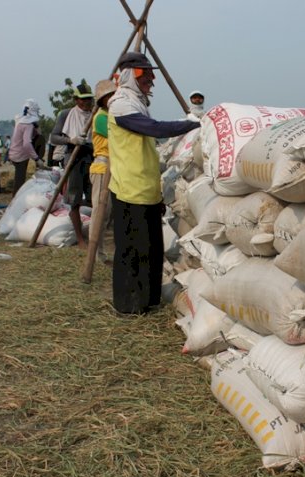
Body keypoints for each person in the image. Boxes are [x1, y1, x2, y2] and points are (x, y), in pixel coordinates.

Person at [108, 52, 201, 314]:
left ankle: (147, 301)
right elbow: (154, 129)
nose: (150, 81)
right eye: (144, 75)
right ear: (129, 76)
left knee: (151, 249)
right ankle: (128, 306)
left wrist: (158, 195)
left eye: (151, 75)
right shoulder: (121, 103)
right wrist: (187, 125)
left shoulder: (137, 102)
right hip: (129, 190)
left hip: (146, 189)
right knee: (131, 250)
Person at [49, 83, 94, 249]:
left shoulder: (94, 114)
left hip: (91, 157)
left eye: (89, 99)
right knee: (74, 199)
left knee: (93, 198)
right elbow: (54, 137)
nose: (86, 102)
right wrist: (70, 140)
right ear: (76, 100)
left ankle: (93, 235)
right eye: (83, 100)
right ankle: (80, 239)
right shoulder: (66, 114)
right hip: (74, 158)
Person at [91, 79, 118, 263]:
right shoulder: (101, 117)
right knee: (100, 211)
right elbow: (117, 136)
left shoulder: (112, 115)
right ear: (102, 100)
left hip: (114, 168)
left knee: (109, 215)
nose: (112, 99)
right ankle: (96, 253)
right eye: (109, 97)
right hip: (102, 168)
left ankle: (102, 252)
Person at [8, 99, 45, 196]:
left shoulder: (19, 120)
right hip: (20, 154)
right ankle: (16, 200)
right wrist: (37, 159)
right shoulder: (27, 124)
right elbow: (27, 143)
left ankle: (16, 196)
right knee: (20, 179)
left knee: (19, 178)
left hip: (14, 152)